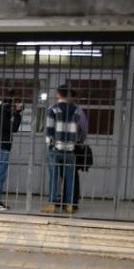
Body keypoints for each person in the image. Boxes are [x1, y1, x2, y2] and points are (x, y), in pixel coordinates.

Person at [43, 85, 87, 214]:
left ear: (58, 94)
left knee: (54, 177)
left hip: (56, 148)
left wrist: (50, 144)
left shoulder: (53, 109)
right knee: (69, 178)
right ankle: (69, 205)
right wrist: (76, 142)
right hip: (70, 149)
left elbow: (49, 129)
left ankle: (52, 204)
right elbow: (81, 130)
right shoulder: (76, 110)